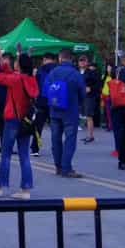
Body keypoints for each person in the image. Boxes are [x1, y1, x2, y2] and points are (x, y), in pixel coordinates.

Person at [0, 51, 40, 200]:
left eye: (16, 61)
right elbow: (11, 75)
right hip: (26, 121)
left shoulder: (15, 79)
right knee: (24, 155)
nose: (14, 63)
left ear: (19, 65)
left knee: (6, 155)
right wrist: (4, 65)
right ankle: (26, 189)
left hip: (12, 120)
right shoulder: (31, 79)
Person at [44, 49, 85, 178]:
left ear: (60, 58)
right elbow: (82, 93)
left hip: (54, 110)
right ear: (71, 59)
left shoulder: (52, 72)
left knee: (55, 139)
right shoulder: (75, 74)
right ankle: (66, 168)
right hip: (70, 111)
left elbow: (45, 91)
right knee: (70, 140)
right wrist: (78, 103)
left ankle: (58, 167)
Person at [31, 53, 57, 156]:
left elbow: (35, 85)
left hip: (41, 101)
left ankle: (35, 148)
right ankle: (56, 148)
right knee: (55, 127)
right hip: (54, 102)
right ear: (54, 60)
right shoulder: (57, 70)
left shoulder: (40, 70)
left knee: (38, 126)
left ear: (45, 59)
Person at [80, 57, 102, 144]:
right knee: (86, 116)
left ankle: (91, 136)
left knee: (89, 116)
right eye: (80, 61)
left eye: (83, 61)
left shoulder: (92, 72)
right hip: (83, 96)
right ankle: (89, 135)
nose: (82, 62)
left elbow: (98, 84)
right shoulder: (80, 71)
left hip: (90, 97)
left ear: (87, 62)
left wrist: (90, 88)